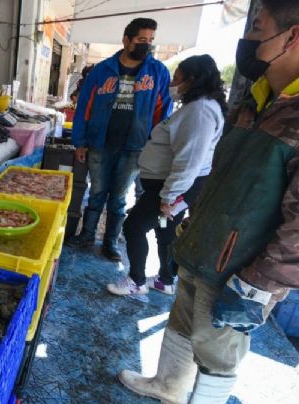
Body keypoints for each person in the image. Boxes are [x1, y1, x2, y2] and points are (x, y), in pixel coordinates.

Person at [118, 1, 299, 402]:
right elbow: (217, 174)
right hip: (204, 245)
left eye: (258, 26)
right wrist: (191, 223)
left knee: (218, 350)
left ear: (292, 35)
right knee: (182, 324)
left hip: (241, 268)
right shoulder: (253, 102)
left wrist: (260, 284)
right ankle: (167, 386)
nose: (248, 38)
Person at [107, 55, 226, 296]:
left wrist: (169, 197)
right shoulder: (196, 107)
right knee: (164, 229)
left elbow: (189, 160)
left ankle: (136, 281)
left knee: (134, 227)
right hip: (167, 188)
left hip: (172, 190)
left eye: (177, 78)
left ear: (192, 80)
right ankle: (165, 279)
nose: (173, 82)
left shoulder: (200, 111)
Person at [67, 18, 172, 261]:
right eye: (141, 40)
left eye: (150, 41)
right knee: (97, 193)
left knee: (119, 197)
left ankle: (110, 242)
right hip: (100, 143)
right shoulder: (101, 71)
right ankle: (87, 235)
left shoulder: (157, 72)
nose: (146, 45)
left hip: (135, 147)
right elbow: (84, 108)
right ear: (126, 40)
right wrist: (80, 141)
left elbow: (162, 112)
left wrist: (154, 146)